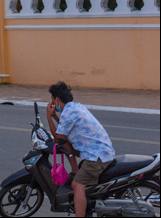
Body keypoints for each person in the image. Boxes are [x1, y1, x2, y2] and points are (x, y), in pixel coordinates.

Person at [48, 81, 116, 218]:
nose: (52, 103)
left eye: (52, 100)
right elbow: (63, 130)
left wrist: (49, 116)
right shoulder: (75, 107)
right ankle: (75, 170)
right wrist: (54, 116)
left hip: (96, 156)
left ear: (57, 99)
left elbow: (58, 138)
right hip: (100, 151)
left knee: (77, 185)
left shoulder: (68, 112)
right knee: (65, 143)